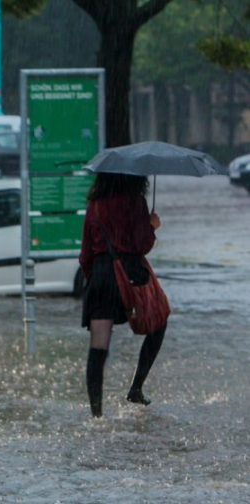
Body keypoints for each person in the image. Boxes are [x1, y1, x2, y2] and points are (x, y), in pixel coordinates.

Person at [79, 173, 165, 418]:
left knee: (98, 346)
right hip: (130, 275)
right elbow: (142, 243)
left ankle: (96, 414)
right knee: (159, 321)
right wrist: (152, 225)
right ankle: (136, 388)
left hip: (100, 277)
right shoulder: (135, 201)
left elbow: (85, 254)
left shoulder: (94, 204)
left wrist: (95, 278)